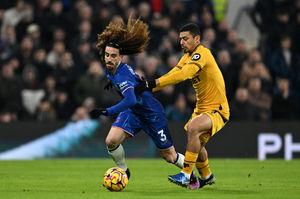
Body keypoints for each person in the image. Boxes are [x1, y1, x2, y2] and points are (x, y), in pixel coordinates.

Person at [89, 18, 199, 188]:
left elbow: (131, 98)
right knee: (111, 141)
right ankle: (124, 171)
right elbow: (130, 88)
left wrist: (108, 111)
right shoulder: (112, 69)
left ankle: (192, 176)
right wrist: (113, 83)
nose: (109, 59)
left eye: (113, 56)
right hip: (133, 112)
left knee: (169, 156)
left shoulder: (121, 74)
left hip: (151, 114)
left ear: (121, 57)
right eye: (107, 55)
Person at [135, 23, 230, 188]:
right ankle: (207, 176)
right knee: (196, 141)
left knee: (193, 128)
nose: (181, 42)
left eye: (185, 39)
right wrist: (149, 86)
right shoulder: (187, 56)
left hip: (218, 108)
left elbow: (183, 75)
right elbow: (173, 73)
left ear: (197, 39)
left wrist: (153, 83)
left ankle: (186, 174)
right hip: (202, 108)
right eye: (180, 39)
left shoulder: (202, 54)